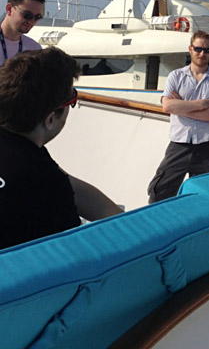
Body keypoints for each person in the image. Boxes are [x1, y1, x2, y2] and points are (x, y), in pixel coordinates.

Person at [0, 47, 123, 250]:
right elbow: (74, 256)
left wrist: (129, 222)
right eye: (72, 101)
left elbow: (69, 184)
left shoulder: (34, 165)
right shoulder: (46, 188)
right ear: (50, 119)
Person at [148, 31, 209, 203]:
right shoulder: (176, 76)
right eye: (198, 49)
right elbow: (168, 106)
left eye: (207, 50)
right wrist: (200, 105)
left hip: (206, 146)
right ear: (190, 49)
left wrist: (182, 107)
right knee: (161, 190)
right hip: (179, 145)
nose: (202, 54)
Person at [0, 0, 45, 66]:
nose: (32, 21)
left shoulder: (34, 49)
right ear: (9, 9)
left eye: (37, 17)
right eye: (27, 15)